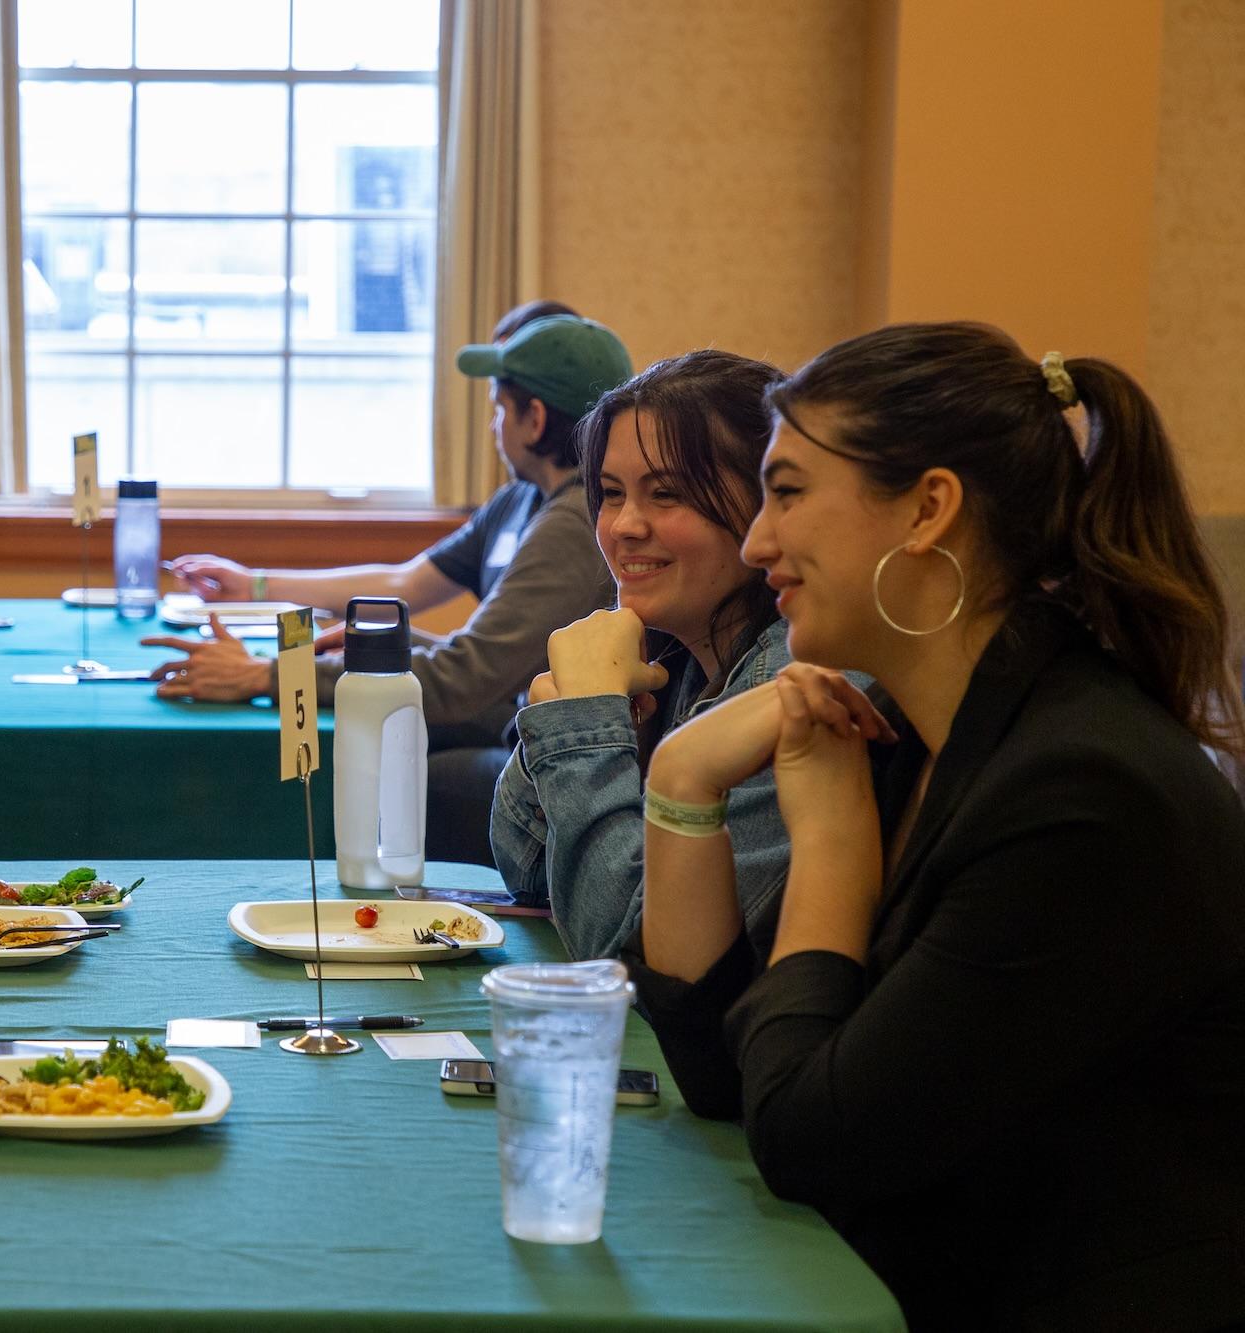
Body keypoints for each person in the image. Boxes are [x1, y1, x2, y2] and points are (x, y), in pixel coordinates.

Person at [632, 323, 1245, 1328]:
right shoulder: (923, 737)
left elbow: (807, 1141)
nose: (755, 543)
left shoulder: (1081, 795)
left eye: (785, 492)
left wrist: (828, 844)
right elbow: (719, 1071)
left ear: (927, 509)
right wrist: (679, 776)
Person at [153, 302, 629, 863]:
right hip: (506, 718)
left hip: (530, 746)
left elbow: (463, 679)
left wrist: (270, 675)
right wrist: (263, 590)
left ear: (535, 420)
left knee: (400, 771)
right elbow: (404, 582)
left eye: (500, 409)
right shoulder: (523, 499)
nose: (494, 425)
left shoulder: (571, 525)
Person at [491, 350, 793, 961]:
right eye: (609, 493)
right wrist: (581, 714)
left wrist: (584, 724)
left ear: (767, 508)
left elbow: (629, 951)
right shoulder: (672, 652)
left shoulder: (786, 681)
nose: (624, 525)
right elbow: (526, 863)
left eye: (667, 494)